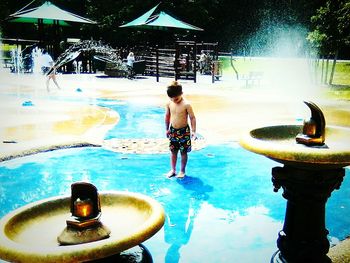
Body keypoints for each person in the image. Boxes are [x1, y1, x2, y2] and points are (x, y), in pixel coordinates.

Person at [165, 81, 197, 179]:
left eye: (176, 98)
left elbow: (192, 118)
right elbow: (167, 116)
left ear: (181, 94)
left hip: (184, 132)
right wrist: (167, 129)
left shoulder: (186, 104)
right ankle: (173, 169)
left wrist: (193, 131)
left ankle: (182, 170)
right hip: (173, 131)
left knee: (183, 152)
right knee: (173, 151)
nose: (174, 100)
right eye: (172, 98)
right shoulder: (169, 103)